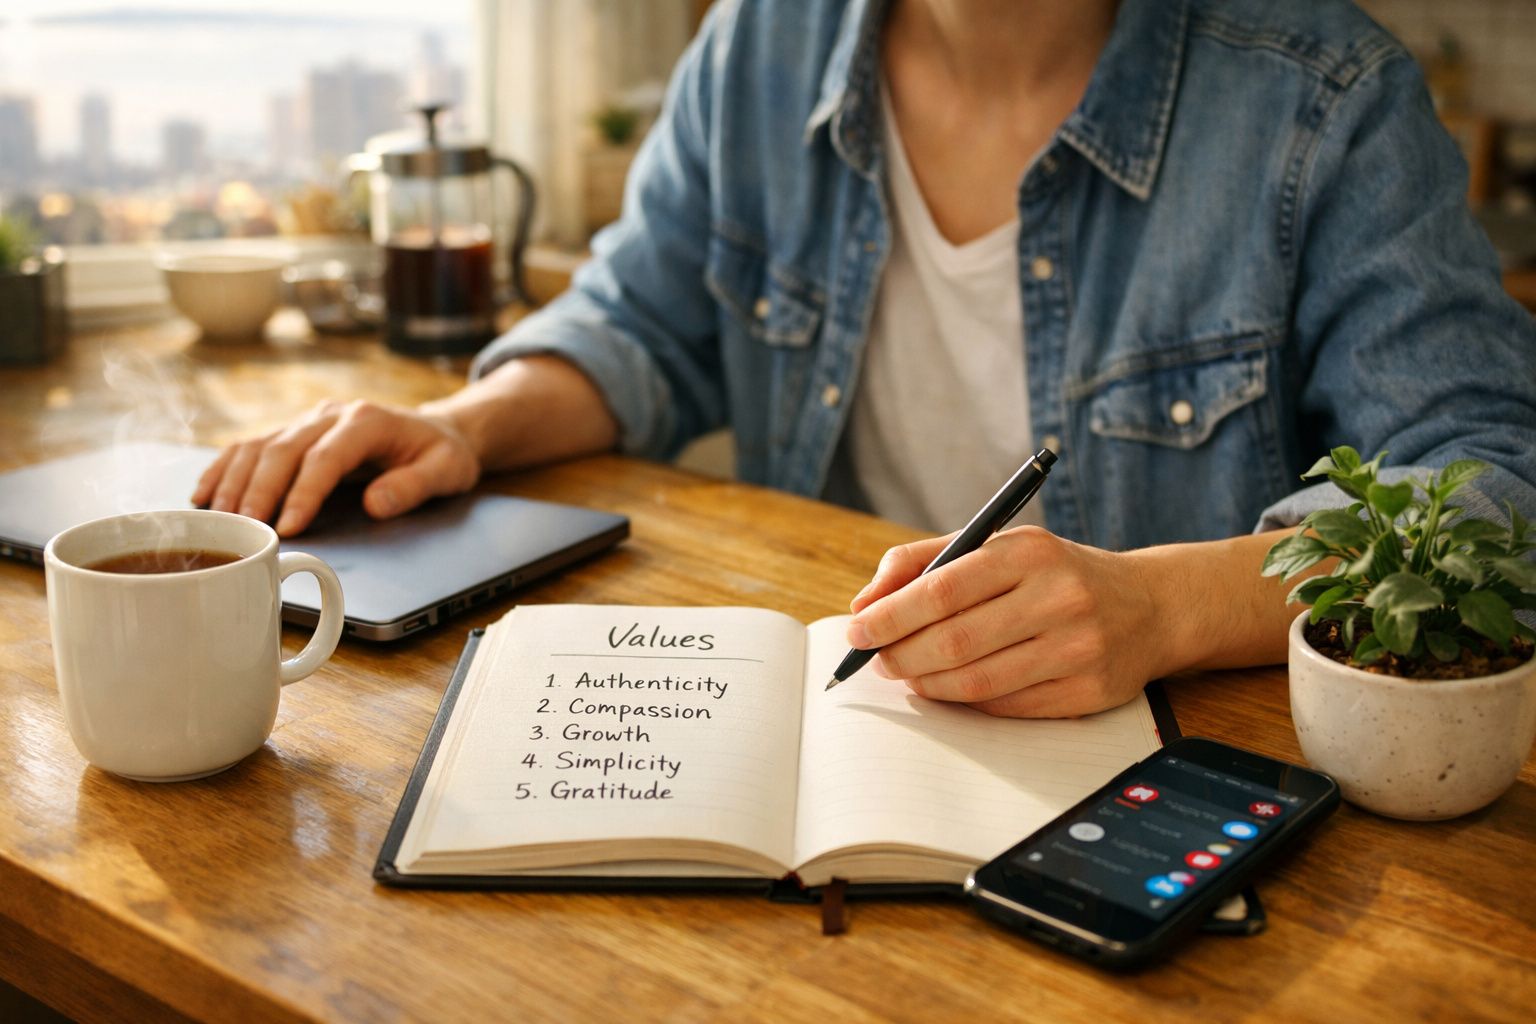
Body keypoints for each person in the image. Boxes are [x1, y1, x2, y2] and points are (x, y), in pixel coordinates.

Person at [196, 0, 1536, 718]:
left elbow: (1496, 488)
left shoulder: (1326, 99)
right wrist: (469, 424)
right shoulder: (757, 47)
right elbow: (640, 324)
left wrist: (1167, 607)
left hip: (1172, 770)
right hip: (858, 722)